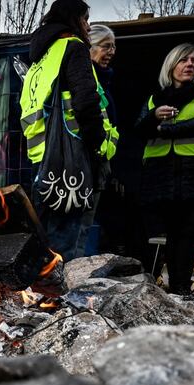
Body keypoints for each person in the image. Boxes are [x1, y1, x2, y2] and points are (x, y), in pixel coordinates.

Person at [134, 43, 194, 296]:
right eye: (183, 60)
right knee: (171, 236)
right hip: (162, 175)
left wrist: (165, 129)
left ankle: (182, 290)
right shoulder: (154, 100)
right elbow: (137, 132)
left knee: (188, 236)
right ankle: (172, 291)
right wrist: (154, 117)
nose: (190, 64)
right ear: (171, 65)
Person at [20, 0, 107, 259]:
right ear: (73, 19)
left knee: (45, 244)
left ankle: (40, 298)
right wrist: (96, 145)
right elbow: (86, 102)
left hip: (41, 161)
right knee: (65, 249)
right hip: (68, 161)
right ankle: (62, 299)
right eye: (85, 19)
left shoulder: (38, 61)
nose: (88, 26)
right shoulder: (73, 47)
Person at [73, 23, 120, 257]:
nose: (111, 52)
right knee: (77, 228)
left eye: (113, 47)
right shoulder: (85, 79)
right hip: (84, 162)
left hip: (99, 162)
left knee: (85, 227)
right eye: (105, 46)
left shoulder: (104, 81)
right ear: (89, 47)